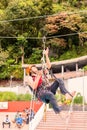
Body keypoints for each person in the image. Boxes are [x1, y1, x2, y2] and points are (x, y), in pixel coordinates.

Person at [25, 47, 76, 119]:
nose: (35, 68)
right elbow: (34, 87)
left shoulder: (40, 73)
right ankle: (60, 113)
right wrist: (38, 77)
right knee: (50, 94)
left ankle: (67, 94)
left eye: (35, 67)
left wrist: (46, 55)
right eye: (33, 67)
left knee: (59, 80)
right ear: (30, 71)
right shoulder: (30, 78)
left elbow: (49, 66)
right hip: (41, 94)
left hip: (48, 89)